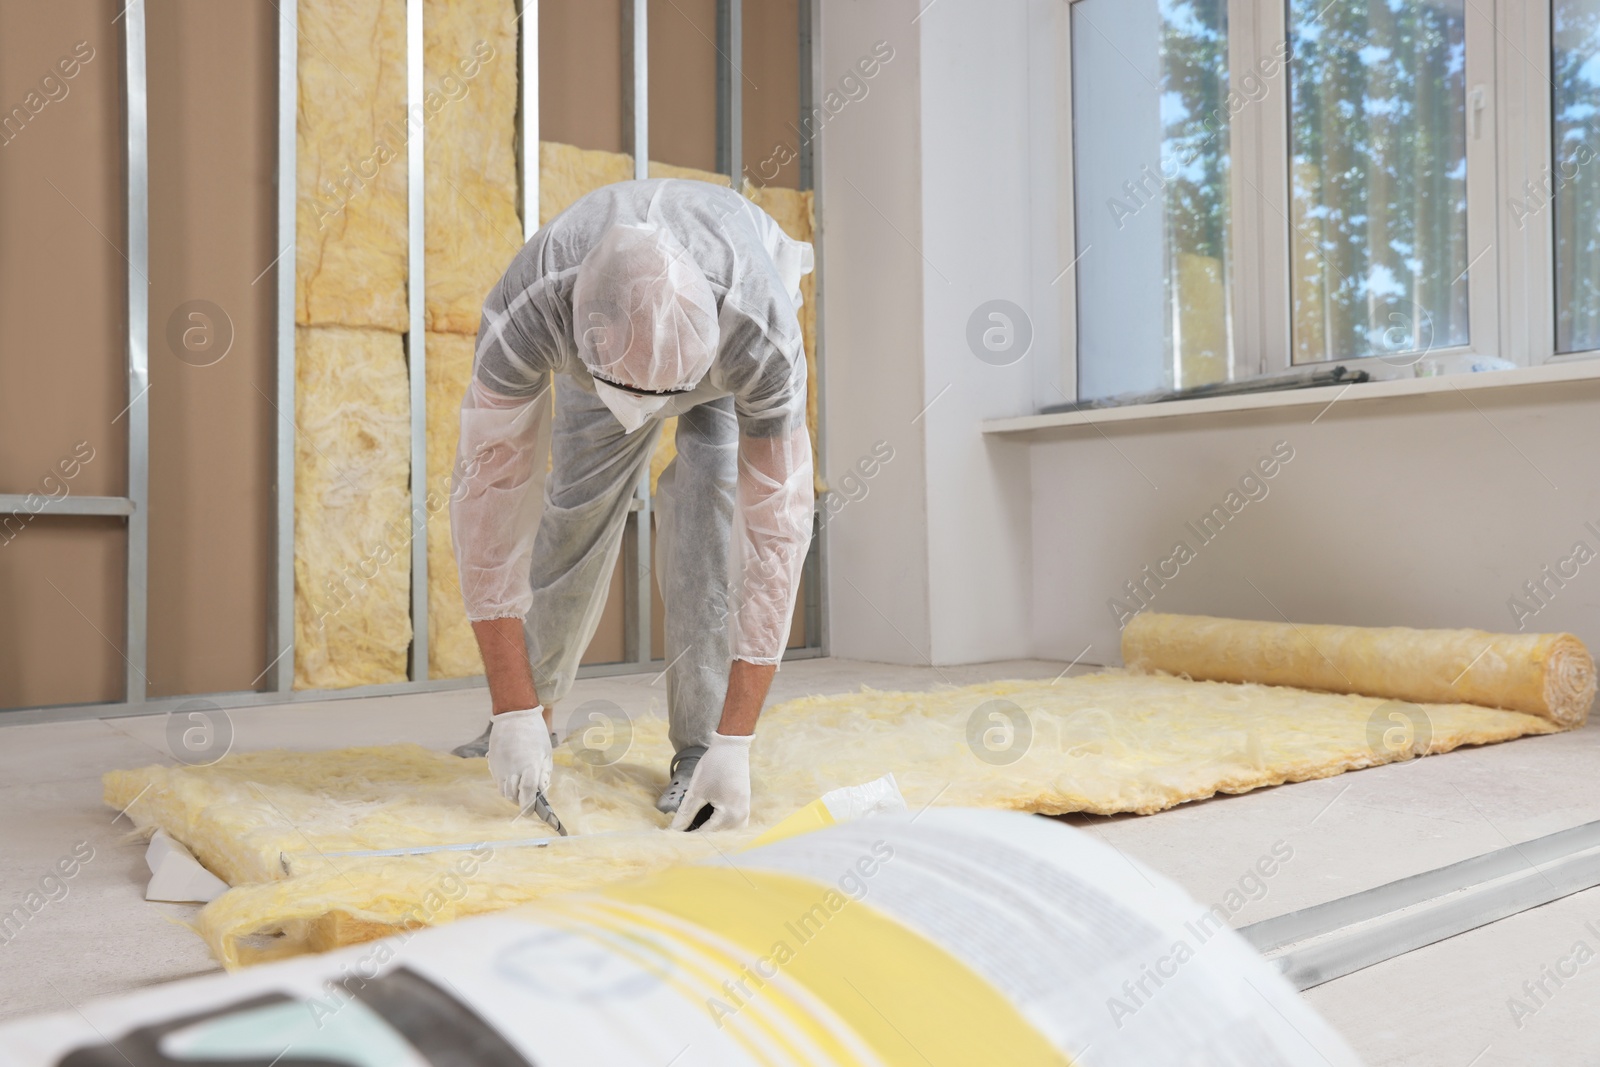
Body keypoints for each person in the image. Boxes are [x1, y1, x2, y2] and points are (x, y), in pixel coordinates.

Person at [448, 178, 815, 832]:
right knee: (575, 514)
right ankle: (538, 715)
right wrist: (513, 708)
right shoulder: (533, 303)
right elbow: (488, 508)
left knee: (710, 513)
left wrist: (736, 742)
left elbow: (775, 541)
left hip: (721, 354)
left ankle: (700, 747)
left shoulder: (760, 330)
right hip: (608, 351)